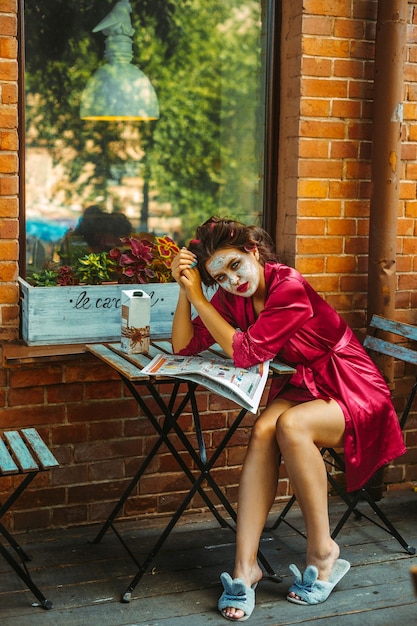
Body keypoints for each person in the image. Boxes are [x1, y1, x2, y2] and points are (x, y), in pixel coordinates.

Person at [170, 216, 406, 621]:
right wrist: (184, 291)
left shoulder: (288, 286)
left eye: (234, 266)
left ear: (253, 252)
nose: (232, 281)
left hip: (353, 385)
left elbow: (246, 353)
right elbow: (184, 345)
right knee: (264, 429)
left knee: (291, 425)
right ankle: (246, 568)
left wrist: (201, 298)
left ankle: (324, 551)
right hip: (306, 384)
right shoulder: (232, 298)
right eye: (219, 277)